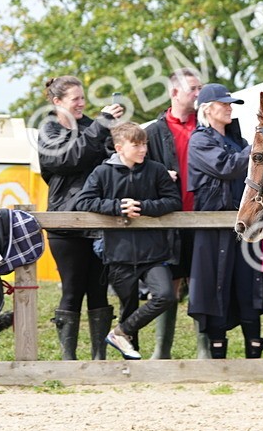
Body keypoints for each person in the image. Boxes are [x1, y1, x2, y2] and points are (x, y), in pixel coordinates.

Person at [74, 122, 182, 360]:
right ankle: (132, 364)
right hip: (118, 254)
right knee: (128, 309)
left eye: (144, 144)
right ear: (119, 147)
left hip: (154, 253)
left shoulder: (157, 170)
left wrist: (143, 207)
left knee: (165, 295)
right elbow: (83, 202)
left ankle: (120, 332)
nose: (143, 149)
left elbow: (173, 201)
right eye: (137, 145)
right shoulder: (102, 172)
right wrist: (117, 207)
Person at [37, 76, 124, 360]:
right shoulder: (48, 130)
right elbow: (66, 158)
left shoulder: (92, 127)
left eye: (83, 98)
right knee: (72, 291)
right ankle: (68, 360)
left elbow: (111, 161)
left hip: (99, 220)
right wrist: (100, 126)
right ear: (57, 102)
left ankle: (100, 357)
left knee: (99, 292)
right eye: (75, 99)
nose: (81, 104)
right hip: (65, 224)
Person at [187, 83, 263, 359]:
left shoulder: (239, 141)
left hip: (240, 224)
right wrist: (260, 146)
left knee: (249, 284)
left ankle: (253, 354)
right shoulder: (199, 140)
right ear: (208, 109)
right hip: (212, 227)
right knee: (215, 286)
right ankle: (218, 356)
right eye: (224, 104)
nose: (229, 108)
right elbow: (227, 166)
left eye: (230, 104)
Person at [144, 67, 203, 359]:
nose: (198, 94)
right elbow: (140, 171)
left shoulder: (208, 126)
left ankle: (205, 350)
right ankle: (161, 351)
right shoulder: (153, 132)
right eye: (193, 88)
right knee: (169, 285)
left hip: (203, 216)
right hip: (166, 219)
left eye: (199, 88)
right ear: (174, 92)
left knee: (202, 281)